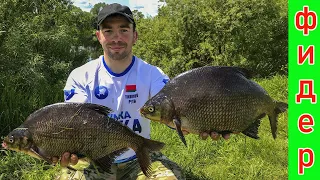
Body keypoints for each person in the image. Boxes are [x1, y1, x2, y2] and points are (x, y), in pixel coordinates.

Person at [55, 3, 230, 180]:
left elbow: (172, 110)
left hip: (138, 157)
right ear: (99, 36)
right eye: (108, 31)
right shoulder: (80, 76)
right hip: (92, 159)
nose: (116, 38)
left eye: (124, 30)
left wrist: (202, 121)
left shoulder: (152, 74)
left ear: (135, 36)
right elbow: (73, 124)